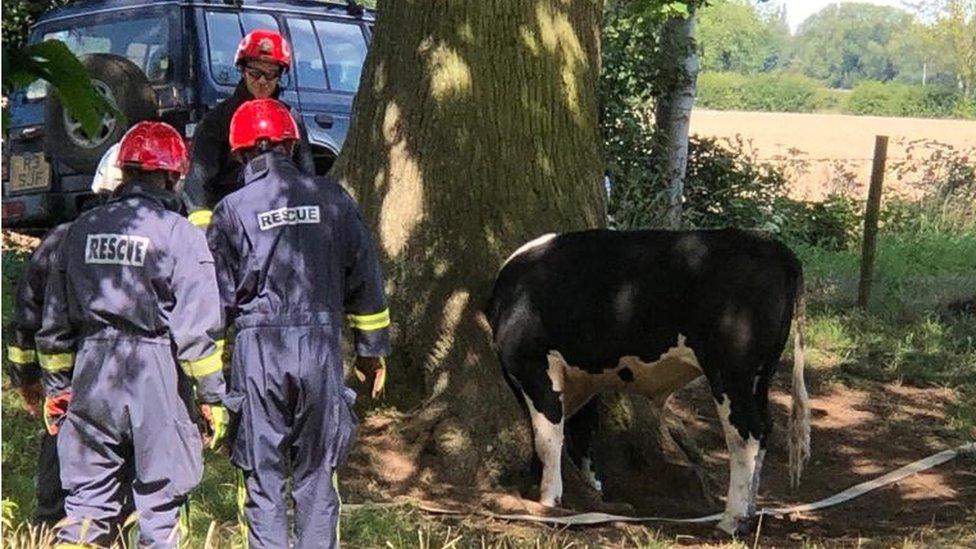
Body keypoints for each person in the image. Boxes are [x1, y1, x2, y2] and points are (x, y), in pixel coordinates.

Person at [207, 98, 389, 548]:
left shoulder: (231, 210)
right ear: (292, 146)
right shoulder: (334, 199)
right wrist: (372, 350)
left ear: (239, 153)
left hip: (258, 353)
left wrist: (207, 379)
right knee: (316, 475)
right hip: (321, 348)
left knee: (264, 478)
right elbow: (365, 278)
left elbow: (216, 301)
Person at [36, 122, 228, 548]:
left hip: (91, 376)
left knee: (85, 506)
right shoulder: (181, 235)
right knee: (159, 508)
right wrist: (212, 397)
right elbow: (197, 331)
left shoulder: (81, 230)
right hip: (155, 375)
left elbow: (54, 322)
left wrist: (57, 388)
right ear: (173, 175)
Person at [4, 144, 126, 528]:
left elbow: (26, 317)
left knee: (60, 466)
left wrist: (26, 380)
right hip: (134, 382)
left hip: (69, 381)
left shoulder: (60, 239)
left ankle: (51, 529)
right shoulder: (156, 237)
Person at [183, 29, 315, 228]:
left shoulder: (291, 118)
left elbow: (306, 176)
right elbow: (197, 186)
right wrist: (206, 232)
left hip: (279, 221)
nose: (262, 81)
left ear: (281, 75)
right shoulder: (218, 120)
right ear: (243, 70)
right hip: (231, 221)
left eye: (271, 74)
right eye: (255, 73)